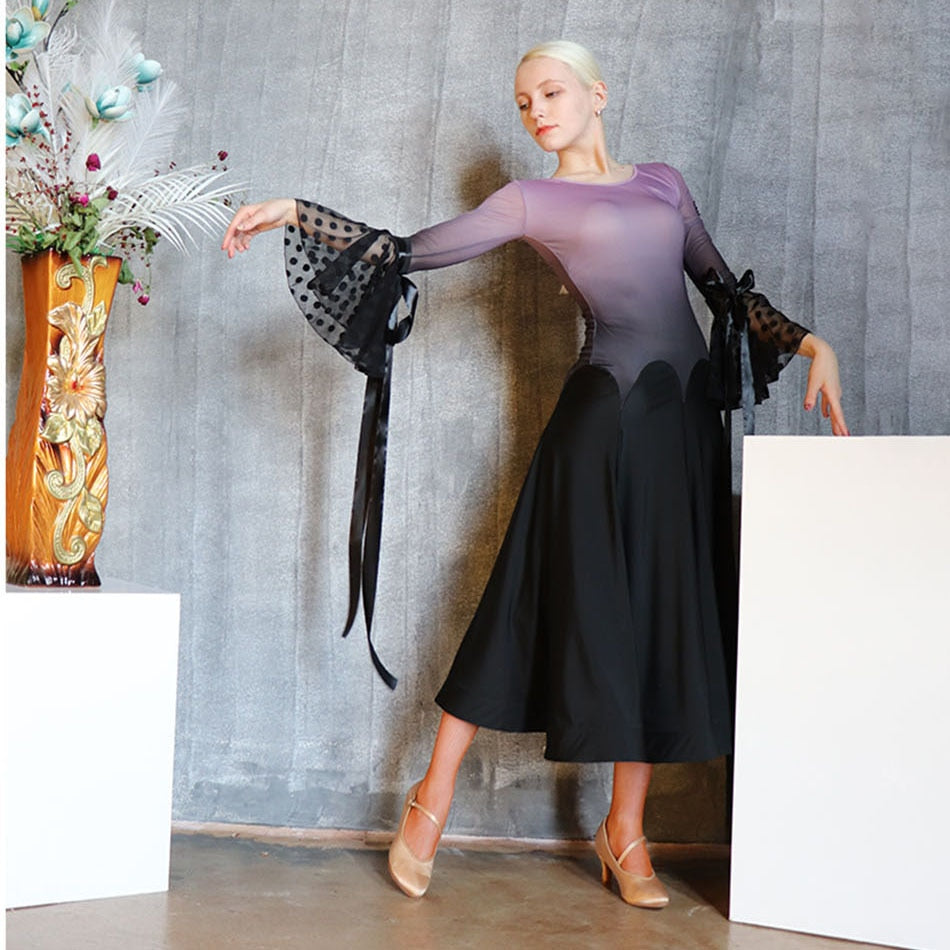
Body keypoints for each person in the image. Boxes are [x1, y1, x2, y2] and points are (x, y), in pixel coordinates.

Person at [222, 40, 848, 909]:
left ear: (597, 94)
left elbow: (722, 293)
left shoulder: (665, 184)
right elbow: (406, 252)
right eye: (524, 103)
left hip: (682, 430)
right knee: (524, 597)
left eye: (550, 93)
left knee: (659, 616)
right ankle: (432, 799)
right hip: (601, 424)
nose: (537, 113)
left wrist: (813, 344)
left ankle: (625, 831)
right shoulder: (530, 201)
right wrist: (296, 210)